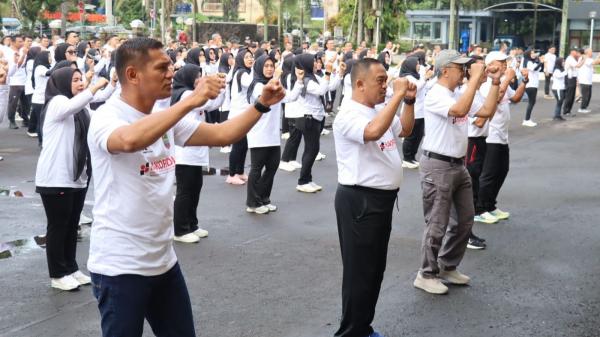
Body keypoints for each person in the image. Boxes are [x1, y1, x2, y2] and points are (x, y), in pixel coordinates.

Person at [86, 37, 285, 337]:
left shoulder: (161, 118)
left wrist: (261, 105)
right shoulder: (107, 117)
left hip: (163, 263)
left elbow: (222, 134)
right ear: (132, 75)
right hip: (119, 268)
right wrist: (191, 100)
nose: (171, 73)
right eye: (162, 67)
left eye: (171, 66)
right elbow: (128, 140)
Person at [333, 58, 416, 337]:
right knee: (359, 275)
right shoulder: (349, 114)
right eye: (380, 81)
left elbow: (405, 129)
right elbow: (373, 132)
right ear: (359, 84)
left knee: (374, 271)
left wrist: (408, 102)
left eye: (386, 79)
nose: (385, 85)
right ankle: (350, 333)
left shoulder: (378, 109)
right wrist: (397, 95)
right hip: (359, 201)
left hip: (380, 202)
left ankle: (363, 328)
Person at [413, 50, 488, 295]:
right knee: (437, 223)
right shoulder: (436, 92)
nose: (465, 71)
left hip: (458, 164)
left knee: (465, 220)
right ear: (445, 70)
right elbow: (458, 111)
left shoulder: (457, 92)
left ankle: (447, 265)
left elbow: (485, 110)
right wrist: (475, 80)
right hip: (438, 165)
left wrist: (496, 82)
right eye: (461, 67)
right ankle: (426, 274)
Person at [35, 67, 110, 291]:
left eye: (81, 79)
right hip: (55, 178)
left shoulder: (80, 108)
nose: (80, 83)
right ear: (63, 82)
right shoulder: (57, 103)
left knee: (72, 224)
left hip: (76, 176)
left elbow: (100, 115)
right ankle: (58, 274)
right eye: (75, 80)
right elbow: (73, 105)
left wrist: (114, 86)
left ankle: (71, 267)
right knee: (58, 226)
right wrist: (93, 86)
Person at [171, 64, 223, 243]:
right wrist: (216, 86)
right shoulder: (186, 94)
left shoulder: (192, 93)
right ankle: (180, 230)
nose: (200, 79)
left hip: (195, 150)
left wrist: (221, 87)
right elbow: (209, 102)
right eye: (197, 76)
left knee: (195, 188)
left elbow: (213, 103)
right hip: (185, 152)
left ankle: (192, 224)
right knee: (185, 191)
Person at [246, 55, 304, 214]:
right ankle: (252, 202)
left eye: (272, 65)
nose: (270, 68)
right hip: (258, 134)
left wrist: (299, 81)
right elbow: (268, 94)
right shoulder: (258, 86)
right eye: (266, 66)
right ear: (259, 67)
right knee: (257, 169)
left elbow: (290, 97)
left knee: (272, 167)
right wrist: (277, 77)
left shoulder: (276, 84)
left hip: (272, 135)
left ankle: (263, 198)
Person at [294, 53, 339, 193]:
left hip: (316, 117)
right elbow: (321, 90)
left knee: (312, 149)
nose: (316, 64)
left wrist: (339, 73)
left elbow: (330, 86)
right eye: (313, 62)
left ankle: (307, 179)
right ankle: (302, 181)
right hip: (309, 117)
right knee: (311, 150)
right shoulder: (306, 80)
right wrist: (327, 72)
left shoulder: (314, 77)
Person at [227, 49, 254, 185]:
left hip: (244, 114)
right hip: (238, 115)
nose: (250, 59)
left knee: (244, 145)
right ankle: (231, 175)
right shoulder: (242, 73)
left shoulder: (245, 72)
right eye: (247, 57)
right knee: (237, 146)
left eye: (251, 57)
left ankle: (240, 171)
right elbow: (253, 84)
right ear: (241, 60)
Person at [399, 56, 431, 169]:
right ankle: (406, 158)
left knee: (418, 135)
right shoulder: (407, 77)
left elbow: (425, 86)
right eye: (416, 64)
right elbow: (415, 89)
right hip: (412, 111)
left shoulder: (417, 76)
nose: (418, 65)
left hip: (421, 111)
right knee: (410, 136)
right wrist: (425, 78)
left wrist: (427, 78)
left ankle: (412, 157)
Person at [6, 34, 29, 129]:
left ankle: (25, 119)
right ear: (12, 42)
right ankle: (11, 121)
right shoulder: (8, 52)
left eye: (22, 41)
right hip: (14, 81)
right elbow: (17, 66)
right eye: (19, 41)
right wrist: (23, 55)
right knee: (13, 102)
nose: (22, 43)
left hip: (24, 80)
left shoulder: (22, 50)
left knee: (26, 102)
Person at [522, 49, 543, 127]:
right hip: (530, 84)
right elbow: (534, 69)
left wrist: (539, 61)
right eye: (532, 53)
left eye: (534, 53)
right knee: (531, 102)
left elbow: (539, 68)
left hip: (534, 84)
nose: (534, 54)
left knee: (532, 102)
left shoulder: (533, 61)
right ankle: (526, 120)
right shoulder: (528, 62)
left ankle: (527, 119)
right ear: (528, 54)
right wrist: (541, 62)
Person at [577, 48, 600, 114]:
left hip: (587, 80)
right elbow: (595, 62)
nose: (592, 53)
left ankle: (584, 107)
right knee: (586, 95)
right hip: (584, 81)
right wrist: (598, 56)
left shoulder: (585, 58)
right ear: (587, 53)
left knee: (588, 95)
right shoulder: (586, 59)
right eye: (591, 52)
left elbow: (595, 62)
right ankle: (582, 108)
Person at [562, 47, 583, 117]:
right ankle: (565, 111)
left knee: (572, 95)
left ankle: (568, 110)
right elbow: (578, 66)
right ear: (572, 52)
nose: (577, 53)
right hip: (569, 78)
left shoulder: (573, 59)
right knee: (569, 95)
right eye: (575, 51)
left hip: (573, 78)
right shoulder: (570, 58)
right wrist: (584, 59)